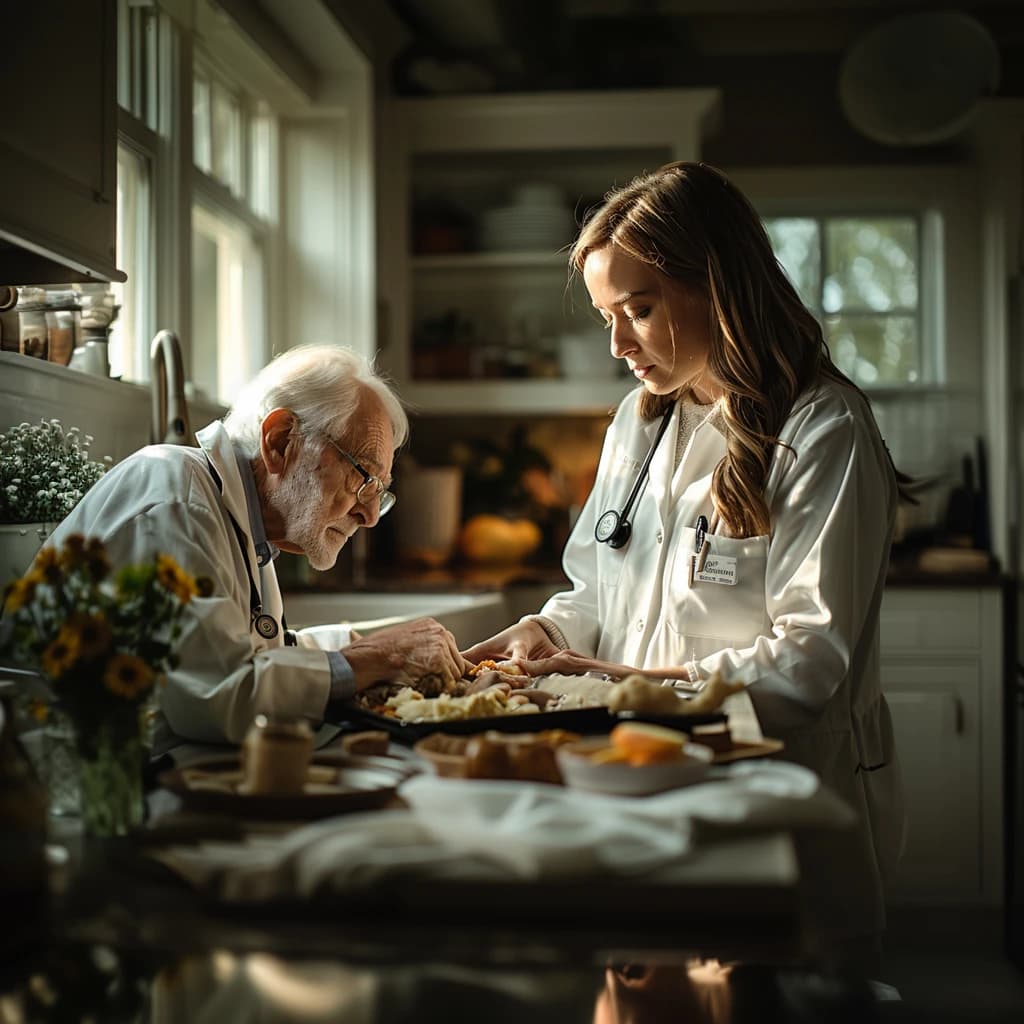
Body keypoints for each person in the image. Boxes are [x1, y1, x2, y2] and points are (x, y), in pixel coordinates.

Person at [465, 161, 906, 973]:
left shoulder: (822, 430)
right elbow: (594, 588)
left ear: (718, 287)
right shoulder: (640, 423)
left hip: (773, 802)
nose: (617, 344)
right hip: (635, 791)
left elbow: (811, 665)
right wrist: (540, 631)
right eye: (607, 315)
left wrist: (608, 680)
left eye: (638, 309)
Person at [43, 344, 471, 757]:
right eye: (363, 478)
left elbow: (252, 657)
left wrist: (363, 647)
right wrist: (376, 656)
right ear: (281, 440)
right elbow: (219, 698)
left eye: (381, 491)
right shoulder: (175, 500)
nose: (372, 514)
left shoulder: (240, 519)